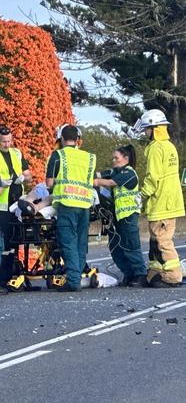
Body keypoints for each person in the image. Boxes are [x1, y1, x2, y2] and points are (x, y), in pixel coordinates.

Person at [131, 109, 185, 288]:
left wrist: (141, 195)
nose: (146, 133)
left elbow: (153, 177)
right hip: (170, 201)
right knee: (156, 241)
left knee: (162, 241)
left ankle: (173, 276)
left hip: (162, 202)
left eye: (147, 129)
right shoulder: (170, 146)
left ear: (155, 128)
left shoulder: (155, 149)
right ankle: (155, 273)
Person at [46, 125, 96, 292]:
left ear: (61, 139)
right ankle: (78, 275)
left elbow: (49, 183)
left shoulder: (58, 155)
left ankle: (73, 280)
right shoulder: (89, 157)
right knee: (81, 243)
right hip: (85, 205)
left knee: (68, 242)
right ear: (77, 140)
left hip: (67, 205)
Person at [93, 145, 147, 287]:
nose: (113, 160)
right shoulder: (116, 171)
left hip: (128, 216)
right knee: (116, 246)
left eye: (116, 158)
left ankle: (140, 275)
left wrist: (96, 182)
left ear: (126, 159)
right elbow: (102, 174)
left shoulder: (129, 173)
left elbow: (111, 182)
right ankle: (129, 274)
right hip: (118, 216)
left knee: (131, 245)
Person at [0, 125, 32, 293]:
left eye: (9, 141)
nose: (7, 144)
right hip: (2, 207)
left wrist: (23, 178)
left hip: (16, 205)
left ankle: (9, 275)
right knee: (4, 244)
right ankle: (2, 279)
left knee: (14, 242)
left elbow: (29, 175)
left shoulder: (17, 153)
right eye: (4, 142)